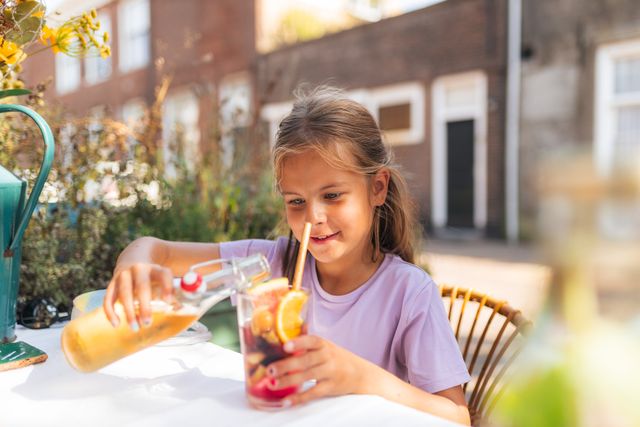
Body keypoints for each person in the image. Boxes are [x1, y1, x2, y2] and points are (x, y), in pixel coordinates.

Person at [104, 86, 471, 425]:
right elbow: (159, 252)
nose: (313, 218)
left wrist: (360, 377)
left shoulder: (408, 292)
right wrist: (134, 262)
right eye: (296, 201)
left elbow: (456, 416)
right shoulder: (269, 267)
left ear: (377, 188)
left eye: (332, 196)